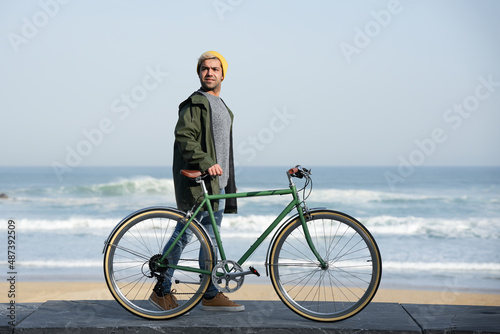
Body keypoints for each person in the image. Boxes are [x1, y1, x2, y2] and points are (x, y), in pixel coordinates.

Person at [149, 51, 243, 312]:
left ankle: (210, 293)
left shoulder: (224, 107)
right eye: (204, 69)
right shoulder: (195, 103)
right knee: (185, 234)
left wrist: (228, 181)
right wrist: (205, 163)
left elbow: (224, 149)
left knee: (210, 240)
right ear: (199, 73)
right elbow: (184, 137)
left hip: (218, 186)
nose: (209, 73)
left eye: (215, 69)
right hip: (199, 183)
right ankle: (162, 290)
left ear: (223, 74)